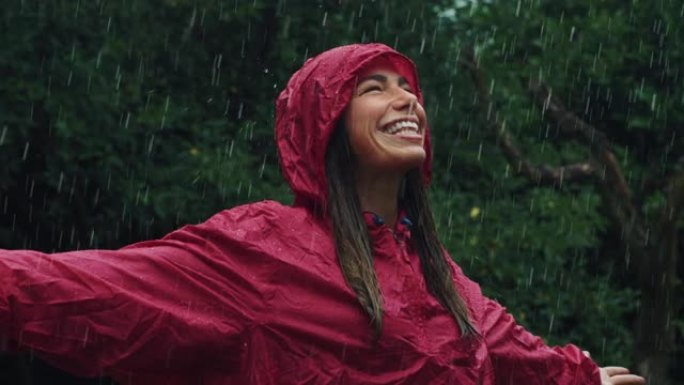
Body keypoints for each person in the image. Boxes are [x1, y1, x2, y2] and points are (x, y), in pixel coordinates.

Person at [0, 43, 644, 385]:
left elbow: (511, 354)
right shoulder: (262, 250)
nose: (407, 100)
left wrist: (583, 378)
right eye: (374, 87)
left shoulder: (439, 275)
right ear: (326, 124)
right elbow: (88, 289)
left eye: (409, 89)